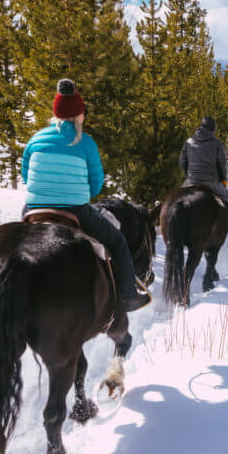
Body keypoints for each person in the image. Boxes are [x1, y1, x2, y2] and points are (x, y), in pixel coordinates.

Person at [21, 79, 151, 312]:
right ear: (79, 115)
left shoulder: (35, 139)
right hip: (74, 210)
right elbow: (96, 185)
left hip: (33, 209)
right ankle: (130, 296)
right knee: (118, 242)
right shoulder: (86, 142)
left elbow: (25, 176)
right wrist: (78, 193)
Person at [179, 116, 228, 238]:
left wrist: (188, 175)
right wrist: (224, 180)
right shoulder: (216, 143)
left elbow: (182, 161)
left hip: (190, 180)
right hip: (210, 181)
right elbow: (222, 164)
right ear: (212, 129)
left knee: (176, 198)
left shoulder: (189, 141)